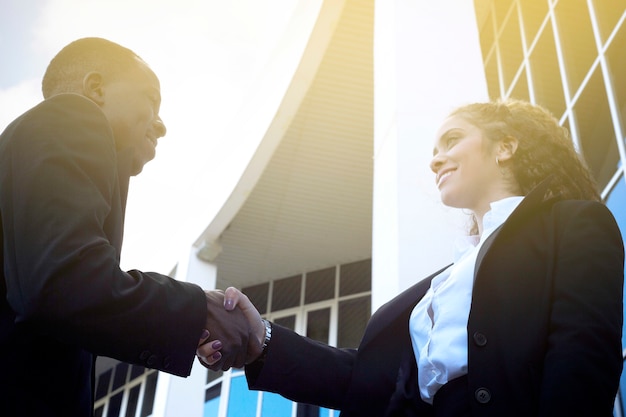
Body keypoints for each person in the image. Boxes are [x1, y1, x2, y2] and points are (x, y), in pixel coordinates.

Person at [198, 99, 625, 416]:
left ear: (506, 146)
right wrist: (262, 341)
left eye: (452, 140)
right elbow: (362, 380)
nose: (435, 158)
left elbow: (581, 361)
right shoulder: (446, 280)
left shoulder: (573, 225)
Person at [0, 37, 250, 417]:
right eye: (151, 100)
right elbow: (65, 283)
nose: (162, 125)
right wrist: (199, 311)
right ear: (95, 88)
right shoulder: (72, 117)